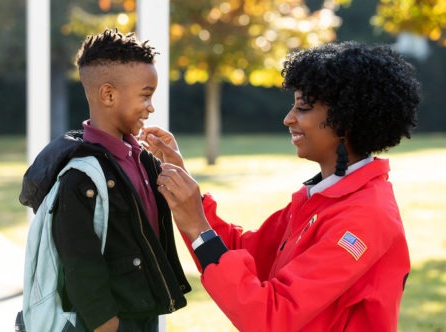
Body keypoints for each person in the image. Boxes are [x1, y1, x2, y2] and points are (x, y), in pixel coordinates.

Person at [141, 41, 421, 331]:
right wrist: (187, 194)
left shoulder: (364, 217)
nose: (288, 118)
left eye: (303, 107)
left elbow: (271, 316)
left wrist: (198, 226)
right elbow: (243, 252)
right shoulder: (324, 197)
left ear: (345, 120)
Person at [19, 28, 190, 332]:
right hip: (106, 323)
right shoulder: (80, 176)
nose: (151, 107)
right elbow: (80, 260)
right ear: (108, 94)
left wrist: (173, 165)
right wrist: (105, 322)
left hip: (145, 311)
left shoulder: (145, 160)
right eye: (146, 96)